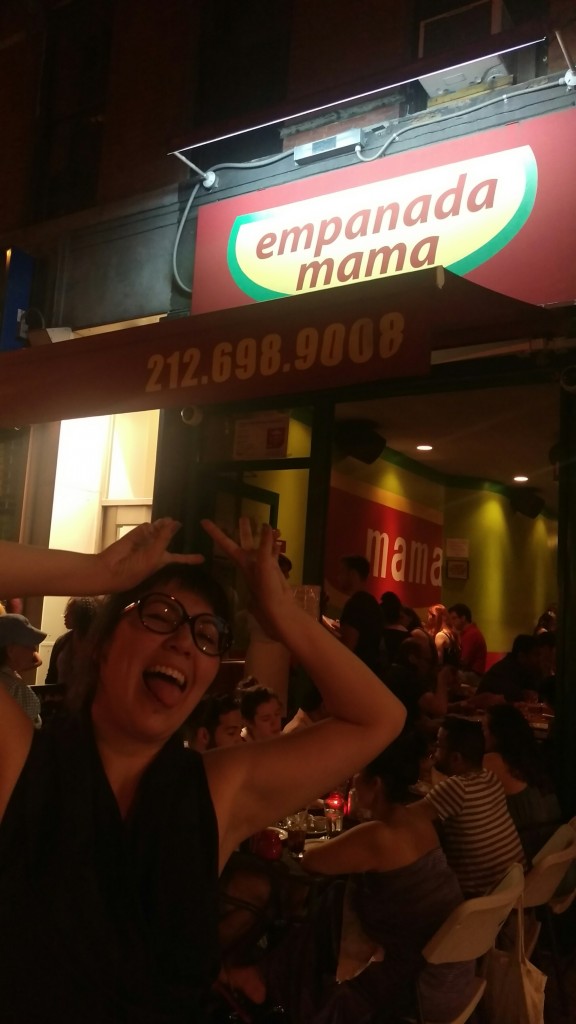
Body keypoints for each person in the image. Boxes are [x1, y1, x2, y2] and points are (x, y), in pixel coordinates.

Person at [0, 516, 406, 1023]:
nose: (184, 641)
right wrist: (99, 573)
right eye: (159, 614)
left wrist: (282, 613)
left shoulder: (213, 791)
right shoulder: (22, 762)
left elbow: (379, 719)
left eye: (208, 634)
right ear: (101, 645)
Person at [232, 734, 475, 1023]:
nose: (354, 783)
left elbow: (312, 862)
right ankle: (264, 977)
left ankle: (263, 979)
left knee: (329, 900)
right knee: (337, 898)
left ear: (376, 784)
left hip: (411, 980)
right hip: (444, 966)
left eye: (359, 776)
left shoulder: (380, 835)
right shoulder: (418, 818)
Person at [411, 716, 524, 897]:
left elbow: (405, 819)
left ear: (456, 758)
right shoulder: (490, 777)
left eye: (439, 745)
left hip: (479, 897)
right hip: (512, 888)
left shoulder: (457, 788)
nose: (433, 750)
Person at [483, 704, 561, 859]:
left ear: (497, 735)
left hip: (526, 850)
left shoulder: (493, 761)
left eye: (483, 730)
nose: (481, 736)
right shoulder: (533, 757)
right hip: (554, 844)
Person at [334, 555, 383, 675]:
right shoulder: (372, 603)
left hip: (354, 672)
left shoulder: (355, 603)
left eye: (341, 572)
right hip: (369, 673)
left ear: (353, 575)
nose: (338, 577)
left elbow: (348, 646)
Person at [45, 595, 102, 687]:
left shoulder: (97, 643)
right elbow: (51, 675)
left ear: (82, 615)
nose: (65, 615)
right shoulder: (62, 641)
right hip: (61, 694)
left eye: (70, 612)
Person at [0, 613, 45, 728]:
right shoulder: (13, 687)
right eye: (29, 645)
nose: (34, 650)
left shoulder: (9, 676)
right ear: (11, 650)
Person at [476, 634, 541, 704]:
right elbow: (512, 697)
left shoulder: (526, 671)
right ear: (522, 656)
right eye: (536, 655)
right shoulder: (502, 671)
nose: (539, 659)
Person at [448, 603, 487, 681]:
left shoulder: (471, 634)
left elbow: (464, 661)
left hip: (473, 675)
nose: (451, 622)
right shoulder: (471, 632)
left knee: (445, 675)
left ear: (463, 618)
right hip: (473, 674)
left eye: (454, 618)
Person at [427, 603, 460, 668]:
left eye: (429, 615)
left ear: (434, 617)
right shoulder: (451, 633)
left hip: (444, 672)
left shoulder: (440, 636)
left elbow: (439, 661)